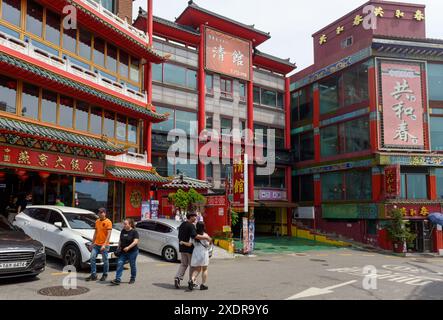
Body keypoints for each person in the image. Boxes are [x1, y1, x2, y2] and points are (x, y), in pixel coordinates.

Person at [174, 212, 211, 289]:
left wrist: (182, 243)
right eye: (194, 216)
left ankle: (177, 277)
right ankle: (192, 281)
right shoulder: (191, 226)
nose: (196, 218)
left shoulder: (182, 224)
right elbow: (195, 236)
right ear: (190, 217)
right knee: (192, 266)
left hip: (182, 248)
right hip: (189, 249)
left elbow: (179, 236)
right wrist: (206, 238)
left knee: (183, 264)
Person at [86, 208, 112, 282]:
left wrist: (104, 244)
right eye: (99, 212)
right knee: (92, 258)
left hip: (104, 245)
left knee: (105, 260)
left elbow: (108, 235)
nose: (100, 214)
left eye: (101, 212)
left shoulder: (108, 222)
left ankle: (105, 274)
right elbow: (95, 233)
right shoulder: (97, 221)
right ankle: (94, 274)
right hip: (96, 244)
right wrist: (92, 243)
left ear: (105, 213)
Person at [111, 218, 139, 285]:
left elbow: (136, 241)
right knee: (120, 263)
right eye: (124, 224)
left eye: (125, 224)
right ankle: (117, 279)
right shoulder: (123, 231)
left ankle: (132, 278)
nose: (124, 225)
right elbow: (120, 240)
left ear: (130, 224)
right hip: (123, 252)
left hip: (133, 252)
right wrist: (118, 248)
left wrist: (128, 247)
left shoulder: (134, 232)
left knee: (132, 265)